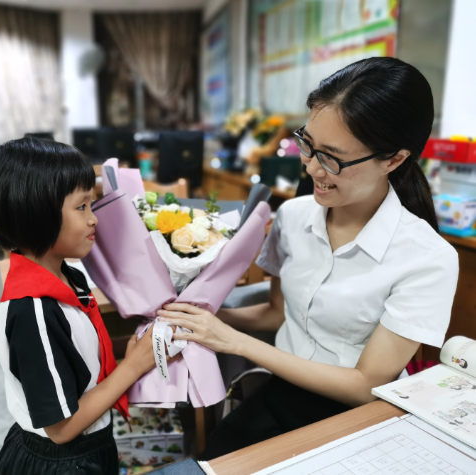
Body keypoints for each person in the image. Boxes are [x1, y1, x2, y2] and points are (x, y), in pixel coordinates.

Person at [156, 57, 459, 459]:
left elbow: (366, 385)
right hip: (280, 390)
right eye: (308, 144)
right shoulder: (294, 216)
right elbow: (276, 314)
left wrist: (234, 341)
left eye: (332, 157)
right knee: (213, 460)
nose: (312, 167)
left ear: (394, 159)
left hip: (357, 418)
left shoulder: (428, 258)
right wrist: (201, 317)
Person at [0, 137, 178, 474]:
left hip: (90, 444)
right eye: (82, 207)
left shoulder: (66, 276)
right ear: (36, 215)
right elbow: (61, 428)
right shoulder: (33, 311)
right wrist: (133, 365)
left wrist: (126, 348)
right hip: (61, 462)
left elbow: (75, 354)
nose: (94, 218)